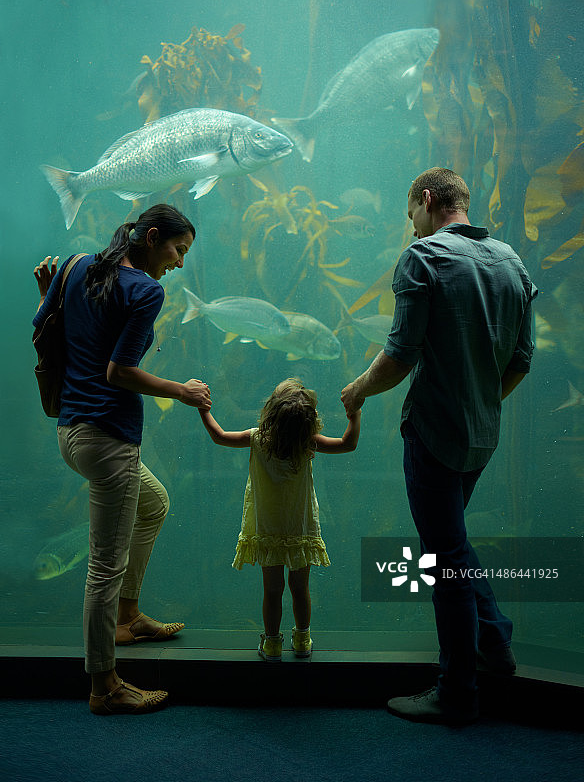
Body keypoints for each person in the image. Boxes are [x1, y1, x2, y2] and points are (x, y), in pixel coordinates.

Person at [341, 168, 537, 725]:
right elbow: (521, 359)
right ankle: (495, 643)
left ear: (427, 201)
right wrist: (482, 398)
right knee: (452, 542)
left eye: (411, 214)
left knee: (443, 558)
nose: (412, 226)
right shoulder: (512, 263)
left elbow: (401, 356)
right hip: (482, 435)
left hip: (433, 434)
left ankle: (456, 692)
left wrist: (355, 391)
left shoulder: (423, 258)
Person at [33, 204, 212, 715]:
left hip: (72, 432)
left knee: (153, 506)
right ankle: (104, 685)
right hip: (109, 438)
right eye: (177, 250)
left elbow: (45, 327)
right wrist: (183, 390)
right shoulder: (145, 291)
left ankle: (128, 618)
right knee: (103, 569)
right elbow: (119, 372)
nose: (178, 263)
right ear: (152, 238)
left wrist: (50, 291)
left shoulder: (74, 266)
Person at [198, 378, 361, 661]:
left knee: (272, 590)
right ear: (309, 421)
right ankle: (302, 640)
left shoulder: (257, 438)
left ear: (270, 412)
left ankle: (272, 643)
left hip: (268, 529)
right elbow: (348, 444)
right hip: (300, 527)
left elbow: (219, 436)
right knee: (300, 588)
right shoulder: (308, 442)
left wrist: (203, 409)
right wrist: (354, 413)